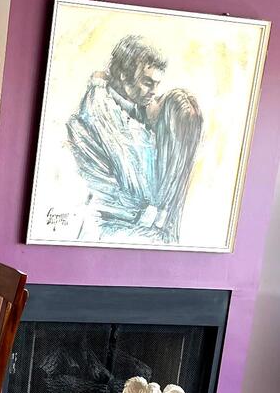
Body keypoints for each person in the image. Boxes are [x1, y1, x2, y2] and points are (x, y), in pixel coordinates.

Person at [66, 34, 202, 244]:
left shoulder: (146, 133)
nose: (153, 93)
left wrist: (97, 83)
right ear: (122, 75)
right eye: (148, 82)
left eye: (158, 85)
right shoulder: (106, 118)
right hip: (105, 234)